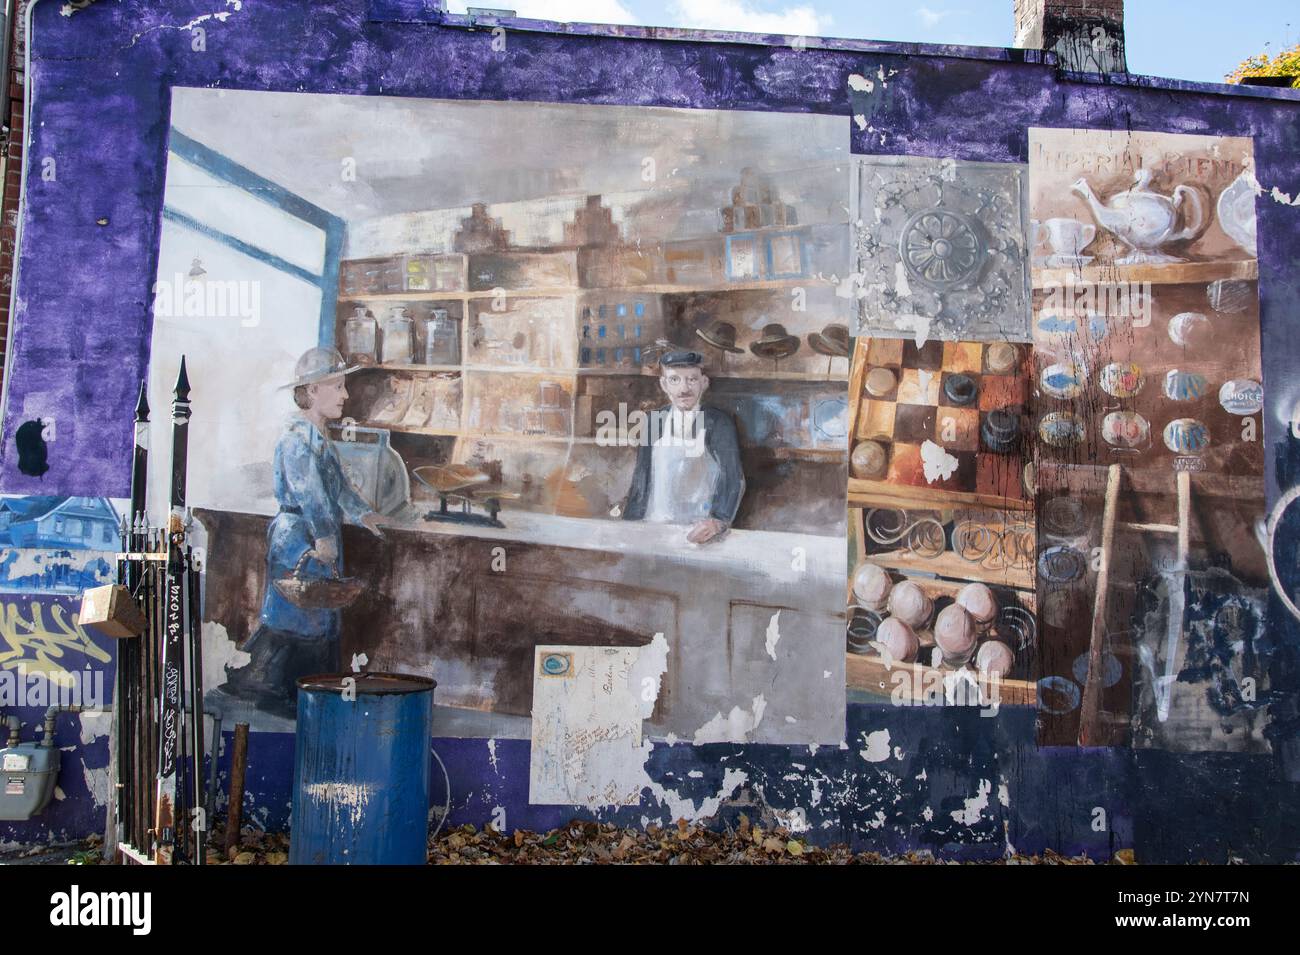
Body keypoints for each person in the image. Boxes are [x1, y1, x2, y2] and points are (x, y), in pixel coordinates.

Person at [220, 347, 384, 718]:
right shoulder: (296, 439)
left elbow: (338, 489)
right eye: (338, 387)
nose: (345, 395)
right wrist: (325, 537)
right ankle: (276, 692)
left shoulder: (319, 438)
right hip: (298, 538)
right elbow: (310, 494)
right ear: (312, 391)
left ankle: (306, 693)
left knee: (318, 617)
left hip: (317, 538)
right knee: (296, 617)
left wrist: (364, 515)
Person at [621, 350, 745, 543]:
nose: (684, 388)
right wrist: (628, 525)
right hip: (651, 529)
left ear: (704, 383)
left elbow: (732, 477)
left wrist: (718, 521)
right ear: (664, 384)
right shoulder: (653, 421)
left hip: (696, 534)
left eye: (692, 380)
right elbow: (641, 477)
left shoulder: (718, 423)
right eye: (675, 380)